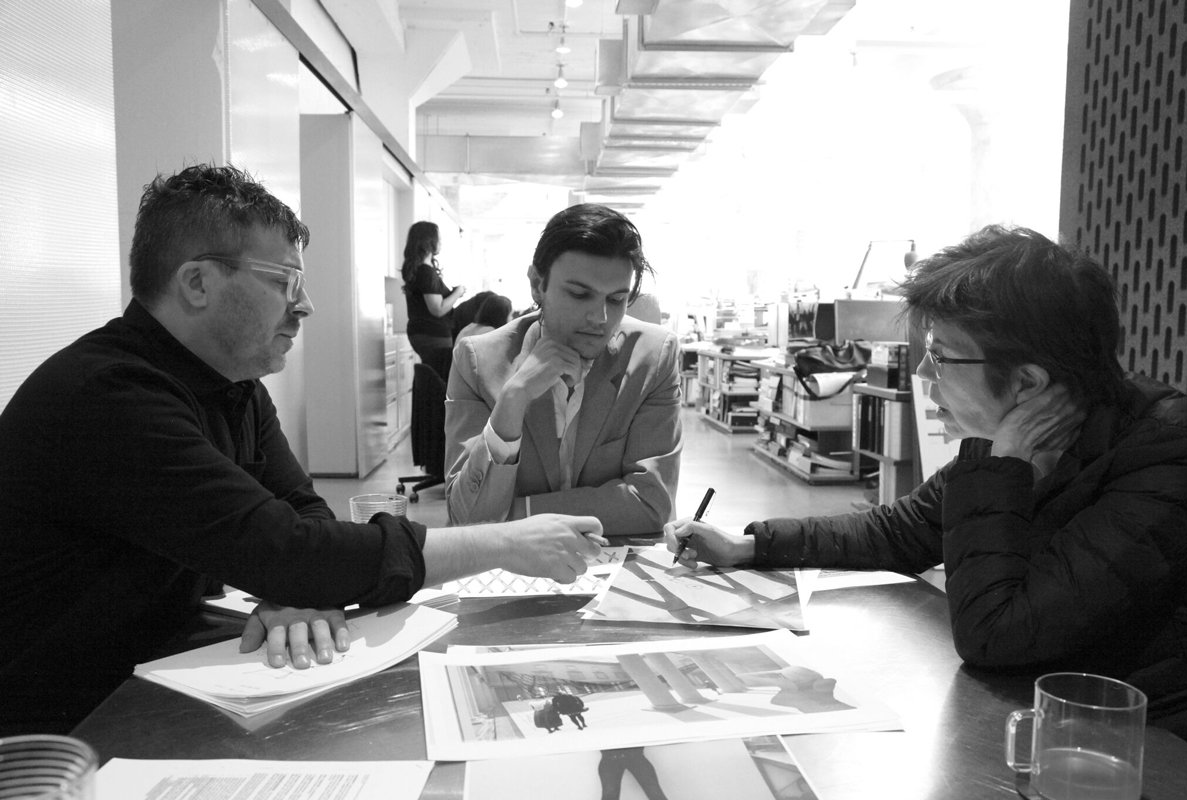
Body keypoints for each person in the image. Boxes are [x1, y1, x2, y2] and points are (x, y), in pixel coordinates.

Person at [0, 164, 604, 736]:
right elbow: (288, 546)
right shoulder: (111, 398)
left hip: (149, 655)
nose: (305, 305)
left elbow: (299, 515)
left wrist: (294, 584)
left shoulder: (233, 386)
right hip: (62, 713)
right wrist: (503, 544)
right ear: (196, 283)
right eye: (284, 282)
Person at [666, 225, 1187, 744]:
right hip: (1032, 719)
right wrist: (751, 544)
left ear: (1027, 384)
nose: (922, 372)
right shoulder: (1023, 439)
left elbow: (996, 634)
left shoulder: (1161, 458)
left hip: (1144, 747)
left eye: (940, 355)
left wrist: (1004, 463)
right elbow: (896, 531)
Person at [444, 204, 682, 534]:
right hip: (509, 572)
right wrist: (513, 398)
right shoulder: (478, 361)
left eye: (616, 299)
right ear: (537, 284)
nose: (600, 318)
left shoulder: (653, 357)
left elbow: (650, 504)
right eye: (579, 294)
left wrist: (514, 515)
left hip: (611, 569)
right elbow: (465, 518)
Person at [401, 221, 463, 383]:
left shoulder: (418, 270)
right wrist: (458, 292)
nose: (440, 242)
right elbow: (437, 309)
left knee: (431, 379)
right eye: (439, 238)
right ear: (429, 241)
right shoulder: (426, 272)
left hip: (422, 332)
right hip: (433, 333)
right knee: (439, 381)